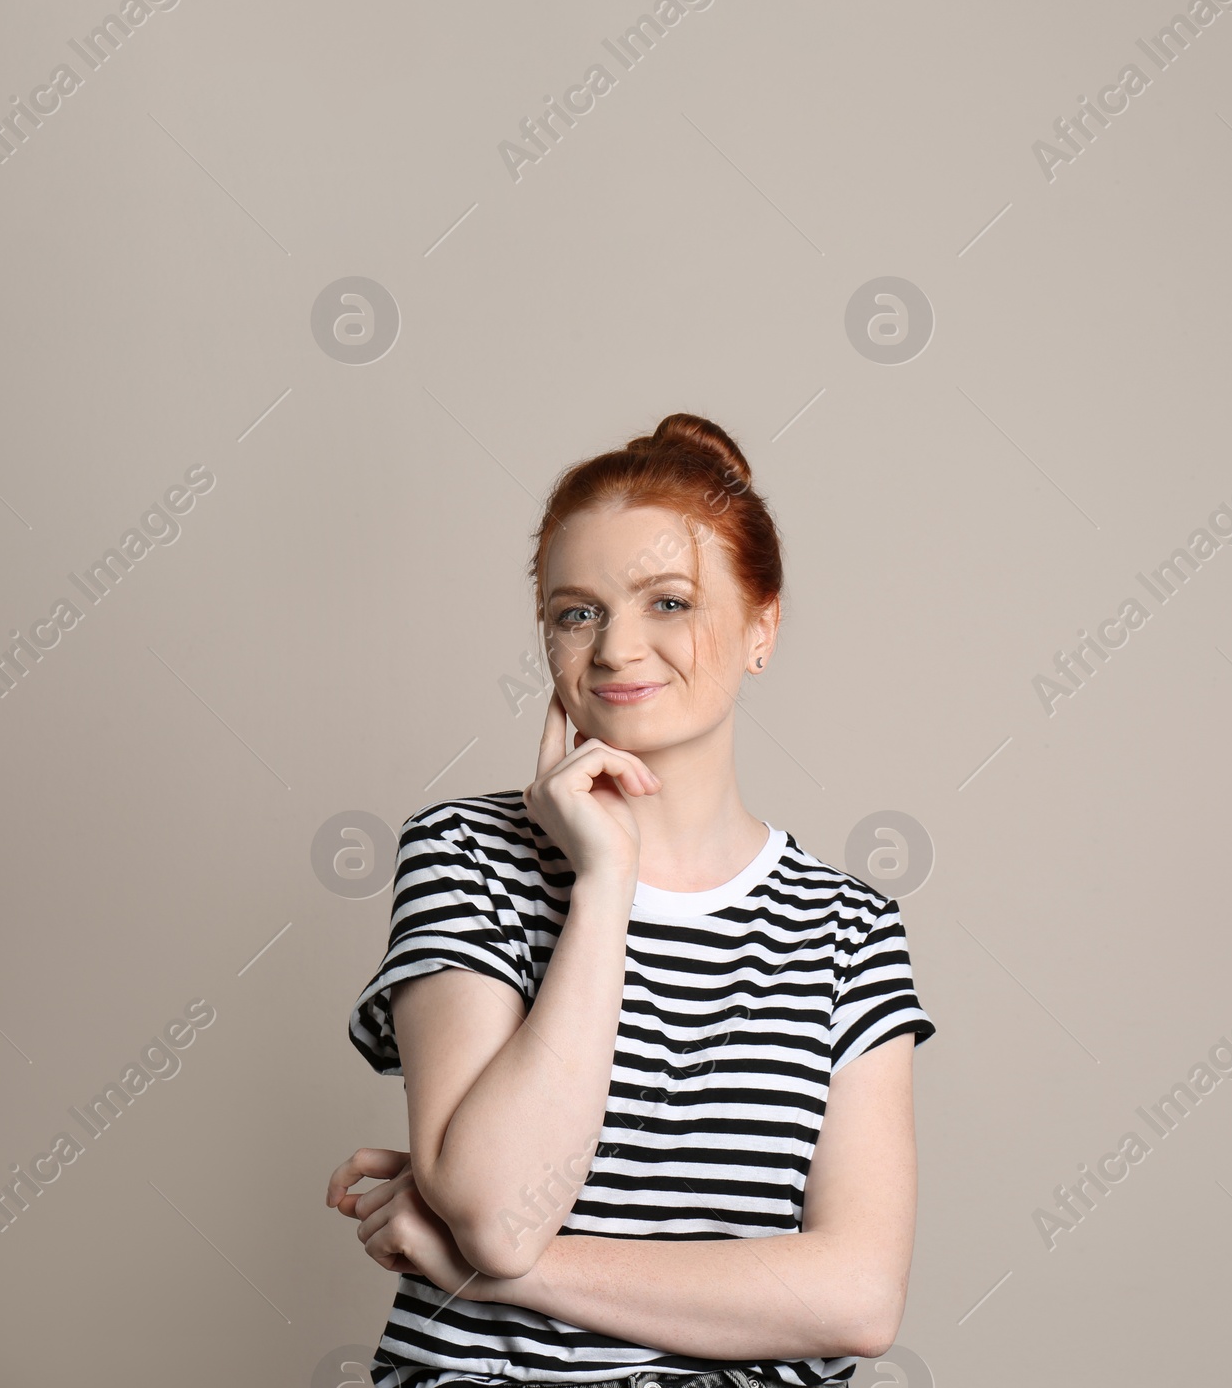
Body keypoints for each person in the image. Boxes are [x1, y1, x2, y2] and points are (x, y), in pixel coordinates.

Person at [327, 412, 936, 1388]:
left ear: (761, 626)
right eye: (577, 611)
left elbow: (856, 1297)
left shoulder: (848, 926)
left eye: (668, 602)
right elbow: (498, 1210)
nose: (616, 648)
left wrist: (483, 1274)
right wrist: (604, 883)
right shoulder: (466, 855)